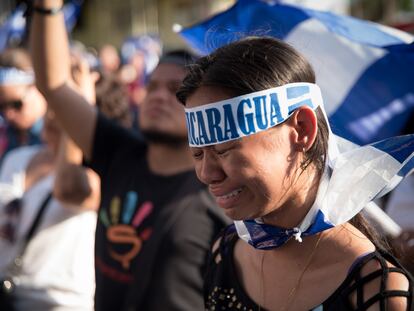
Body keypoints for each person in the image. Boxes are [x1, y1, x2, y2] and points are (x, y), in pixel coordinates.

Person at [176, 36, 413, 310]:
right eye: (197, 154)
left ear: (301, 129)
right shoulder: (226, 250)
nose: (207, 174)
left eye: (224, 149)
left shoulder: (376, 289)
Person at [30, 1, 229, 310]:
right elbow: (54, 84)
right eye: (153, 87)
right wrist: (48, 9)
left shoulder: (222, 190)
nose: (160, 97)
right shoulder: (120, 152)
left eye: (177, 90)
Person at [0, 108, 99, 311]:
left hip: (58, 303)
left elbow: (68, 188)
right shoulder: (16, 158)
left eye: (62, 106)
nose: (54, 115)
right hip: (7, 295)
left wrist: (72, 122)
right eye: (51, 104)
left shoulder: (91, 177)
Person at [0, 48, 46, 164]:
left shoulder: (56, 136)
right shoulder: (5, 136)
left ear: (37, 89)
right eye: (1, 106)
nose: (8, 114)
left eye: (16, 104)